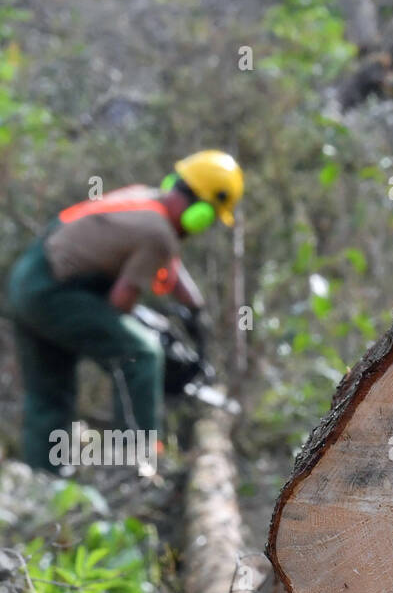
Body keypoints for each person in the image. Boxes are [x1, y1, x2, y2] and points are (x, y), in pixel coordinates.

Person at [7, 151, 244, 473]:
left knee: (49, 393)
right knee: (143, 354)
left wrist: (194, 309)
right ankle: (136, 464)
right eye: (209, 216)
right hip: (55, 293)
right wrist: (148, 328)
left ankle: (42, 480)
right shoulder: (157, 233)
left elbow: (169, 267)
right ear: (200, 211)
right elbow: (121, 302)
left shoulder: (144, 200)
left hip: (27, 280)